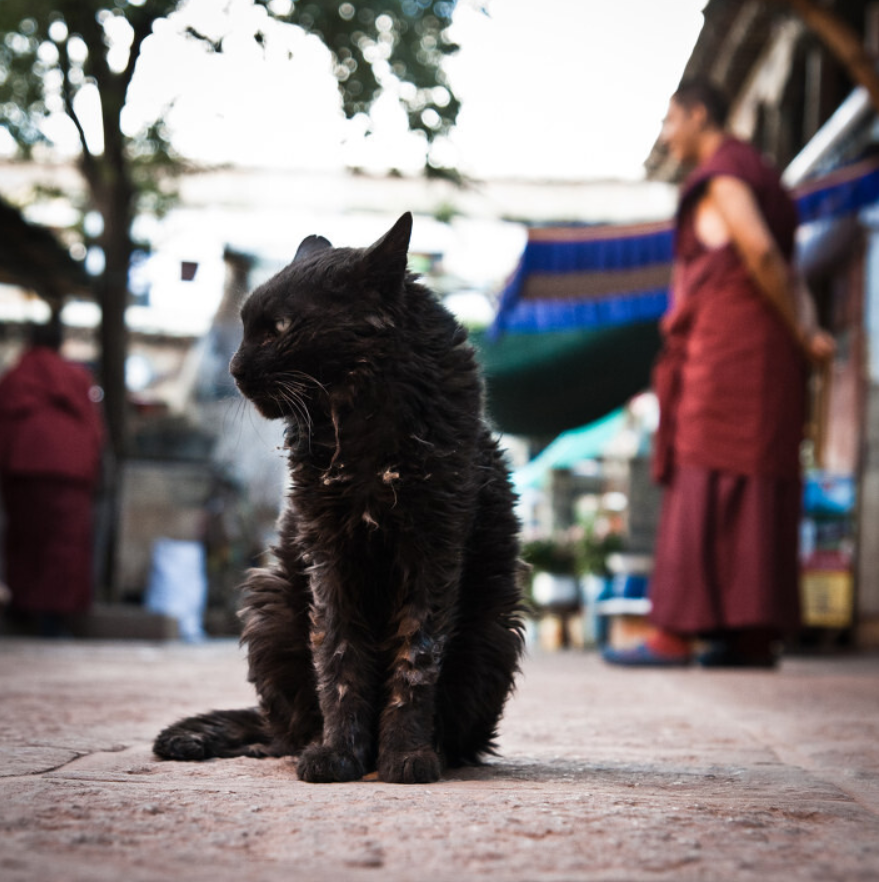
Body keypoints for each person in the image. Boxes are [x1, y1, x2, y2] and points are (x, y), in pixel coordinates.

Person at [604, 79, 834, 668]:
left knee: (703, 474)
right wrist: (806, 332)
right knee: (757, 481)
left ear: (700, 115)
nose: (666, 135)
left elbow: (758, 253)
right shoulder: (763, 172)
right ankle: (749, 636)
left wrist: (801, 330)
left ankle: (676, 634)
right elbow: (790, 266)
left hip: (728, 351)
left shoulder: (725, 174)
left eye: (670, 121)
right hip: (767, 354)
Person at [0, 320, 105, 636]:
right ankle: (54, 621)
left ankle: (25, 612)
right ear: (61, 344)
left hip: (23, 469)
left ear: (31, 340)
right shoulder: (75, 377)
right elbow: (93, 429)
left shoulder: (15, 378)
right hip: (70, 473)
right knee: (65, 546)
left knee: (26, 541)